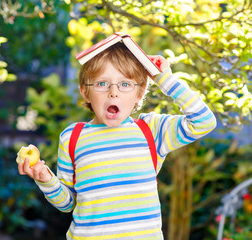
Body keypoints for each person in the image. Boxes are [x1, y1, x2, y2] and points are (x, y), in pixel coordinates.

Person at [18, 40, 217, 239]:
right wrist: (45, 180)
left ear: (139, 94)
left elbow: (204, 121)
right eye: (102, 83)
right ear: (85, 92)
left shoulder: (151, 131)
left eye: (125, 84)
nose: (113, 92)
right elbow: (68, 204)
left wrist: (165, 79)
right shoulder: (73, 138)